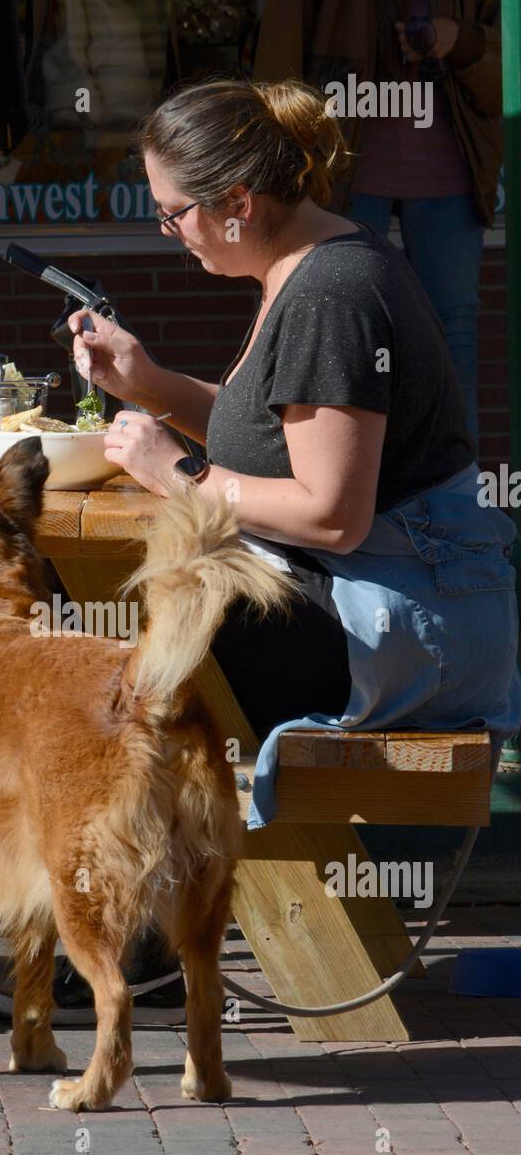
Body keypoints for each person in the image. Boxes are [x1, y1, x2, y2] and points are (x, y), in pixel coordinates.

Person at [45, 76, 520, 1023]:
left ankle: (111, 940)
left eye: (174, 213)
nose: (169, 233)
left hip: (390, 630)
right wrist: (150, 385)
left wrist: (170, 472)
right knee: (106, 650)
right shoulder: (310, 269)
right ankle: (114, 936)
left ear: (237, 204)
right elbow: (277, 439)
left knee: (108, 672)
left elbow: (331, 511)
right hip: (368, 603)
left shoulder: (331, 296)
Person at [253, 0, 502, 452]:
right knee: (339, 335)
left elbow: (504, 56)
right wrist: (277, 165)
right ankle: (346, 491)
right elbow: (280, 57)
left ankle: (459, 505)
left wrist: (456, 39)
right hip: (343, 171)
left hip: (448, 169)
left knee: (454, 336)